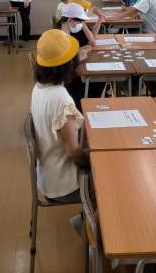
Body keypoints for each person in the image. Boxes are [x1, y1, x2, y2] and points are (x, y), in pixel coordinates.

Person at [31, 29, 88, 204]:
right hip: (65, 184)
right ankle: (89, 217)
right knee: (112, 177)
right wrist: (94, 163)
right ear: (68, 64)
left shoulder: (39, 87)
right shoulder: (61, 99)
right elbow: (74, 153)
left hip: (48, 177)